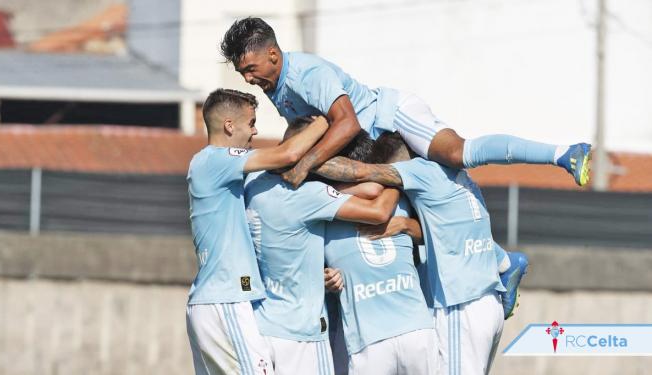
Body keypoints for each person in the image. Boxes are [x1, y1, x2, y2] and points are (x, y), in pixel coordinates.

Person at [220, 17, 591, 190]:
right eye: (243, 74)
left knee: (458, 155)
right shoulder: (274, 86)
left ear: (272, 54)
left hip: (393, 117)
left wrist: (304, 165)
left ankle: (564, 153)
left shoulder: (306, 74)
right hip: (374, 146)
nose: (249, 79)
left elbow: (346, 124)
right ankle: (502, 263)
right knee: (424, 197)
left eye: (251, 69)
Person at [314, 132, 512, 375]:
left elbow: (371, 185)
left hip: (460, 303)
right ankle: (504, 261)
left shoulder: (413, 178)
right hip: (473, 304)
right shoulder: (446, 178)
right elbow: (449, 232)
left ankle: (505, 262)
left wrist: (306, 164)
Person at [185, 88, 329, 375]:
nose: (255, 131)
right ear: (229, 125)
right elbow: (287, 154)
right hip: (225, 301)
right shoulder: (216, 159)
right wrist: (327, 121)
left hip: (218, 300)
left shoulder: (214, 167)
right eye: (251, 123)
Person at [243, 119, 403, 374]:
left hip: (262, 324)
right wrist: (400, 171)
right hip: (302, 331)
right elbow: (377, 206)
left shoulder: (252, 181)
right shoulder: (309, 195)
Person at [320, 129, 437, 375]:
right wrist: (325, 279)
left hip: (408, 332)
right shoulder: (324, 211)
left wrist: (406, 225)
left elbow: (437, 235)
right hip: (374, 339)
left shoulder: (398, 198)